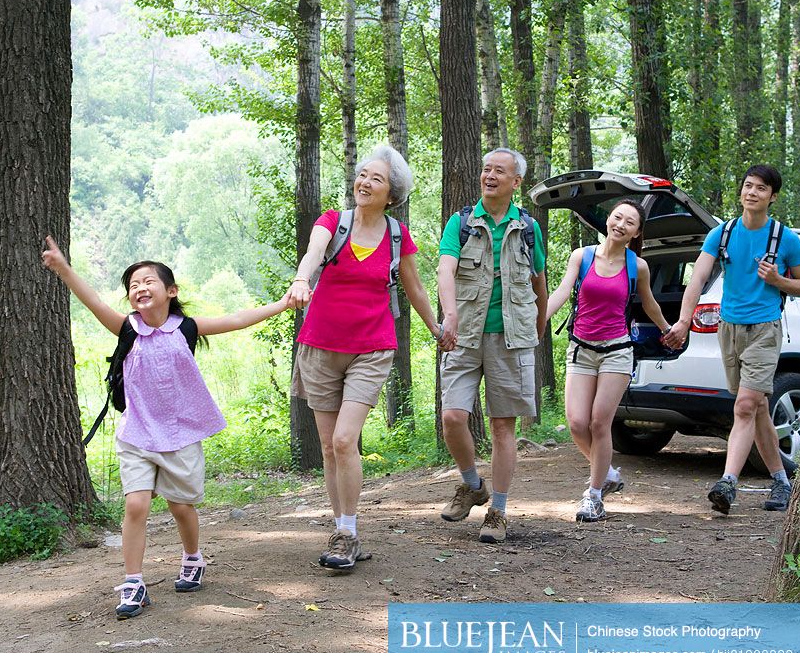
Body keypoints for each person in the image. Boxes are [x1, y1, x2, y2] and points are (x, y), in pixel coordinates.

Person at [42, 237, 290, 618]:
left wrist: (284, 303)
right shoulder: (126, 328)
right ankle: (133, 583)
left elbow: (238, 318)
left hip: (179, 434)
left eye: (148, 282)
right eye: (133, 286)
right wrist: (63, 268)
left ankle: (192, 557)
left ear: (171, 292)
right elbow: (92, 301)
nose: (140, 288)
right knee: (136, 504)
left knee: (181, 506)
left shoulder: (187, 328)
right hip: (137, 433)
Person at [287, 146, 443, 572]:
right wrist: (302, 279)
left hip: (372, 348)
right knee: (328, 447)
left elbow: (416, 289)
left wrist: (436, 327)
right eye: (361, 175)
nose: (364, 182)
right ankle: (340, 529)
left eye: (375, 178)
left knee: (343, 440)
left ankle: (350, 532)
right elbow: (313, 254)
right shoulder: (332, 223)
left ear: (393, 192)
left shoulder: (397, 236)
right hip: (320, 345)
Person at [664, 165, 800, 515]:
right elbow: (697, 280)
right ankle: (782, 481)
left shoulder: (785, 239)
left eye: (760, 188)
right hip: (728, 329)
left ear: (772, 196)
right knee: (756, 408)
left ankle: (727, 482)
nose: (752, 192)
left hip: (764, 330)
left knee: (743, 406)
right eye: (747, 186)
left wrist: (779, 280)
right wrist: (683, 321)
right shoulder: (722, 233)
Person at [437, 148, 547, 545]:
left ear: (516, 182)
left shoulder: (528, 228)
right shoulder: (462, 223)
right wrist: (449, 314)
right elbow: (445, 268)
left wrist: (535, 329)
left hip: (512, 339)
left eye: (499, 171)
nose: (490, 175)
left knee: (503, 426)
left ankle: (498, 510)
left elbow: (539, 282)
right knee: (452, 417)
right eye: (486, 168)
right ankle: (471, 485)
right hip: (463, 334)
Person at [546, 201, 672, 522]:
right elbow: (562, 291)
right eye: (617, 217)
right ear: (608, 221)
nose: (621, 224)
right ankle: (608, 473)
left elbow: (650, 304)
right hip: (581, 348)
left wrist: (667, 330)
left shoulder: (636, 266)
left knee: (599, 422)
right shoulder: (582, 256)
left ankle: (594, 495)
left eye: (629, 222)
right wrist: (538, 319)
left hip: (617, 350)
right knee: (576, 423)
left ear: (636, 232)